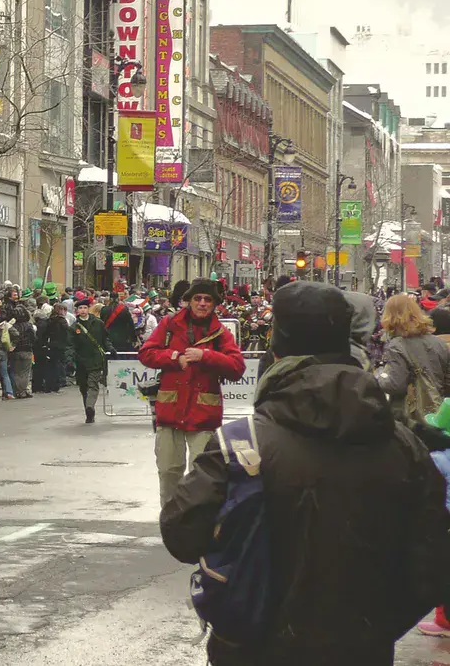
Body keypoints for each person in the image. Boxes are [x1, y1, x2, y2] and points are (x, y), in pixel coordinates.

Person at [160, 281, 450, 666]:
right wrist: (376, 626)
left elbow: (181, 533)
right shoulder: (404, 446)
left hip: (255, 647)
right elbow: (432, 562)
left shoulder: (242, 443)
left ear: (277, 352)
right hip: (360, 648)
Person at [138, 279, 243, 505]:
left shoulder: (221, 333)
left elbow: (237, 368)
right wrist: (174, 358)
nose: (202, 303)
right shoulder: (169, 324)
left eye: (208, 299)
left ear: (214, 304)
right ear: (189, 301)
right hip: (170, 413)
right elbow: (146, 353)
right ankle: (170, 519)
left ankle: (196, 521)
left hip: (203, 416)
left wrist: (206, 356)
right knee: (168, 472)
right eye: (198, 298)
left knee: (201, 476)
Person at [376, 292, 450, 426]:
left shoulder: (397, 345)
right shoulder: (438, 343)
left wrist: (380, 375)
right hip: (438, 413)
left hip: (409, 417)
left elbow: (395, 385)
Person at [69, 298, 114, 423]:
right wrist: (70, 360)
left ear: (88, 309)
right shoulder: (74, 327)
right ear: (77, 311)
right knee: (84, 387)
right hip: (81, 361)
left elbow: (105, 339)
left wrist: (110, 348)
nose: (83, 310)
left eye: (85, 308)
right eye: (80, 308)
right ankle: (89, 413)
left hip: (95, 360)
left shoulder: (98, 323)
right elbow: (70, 345)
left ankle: (90, 406)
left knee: (93, 384)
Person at [9, 307, 36, 398]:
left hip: (15, 350)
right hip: (27, 350)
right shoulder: (29, 325)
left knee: (16, 372)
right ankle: (23, 391)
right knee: (25, 373)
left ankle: (18, 391)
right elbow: (33, 337)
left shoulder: (12, 326)